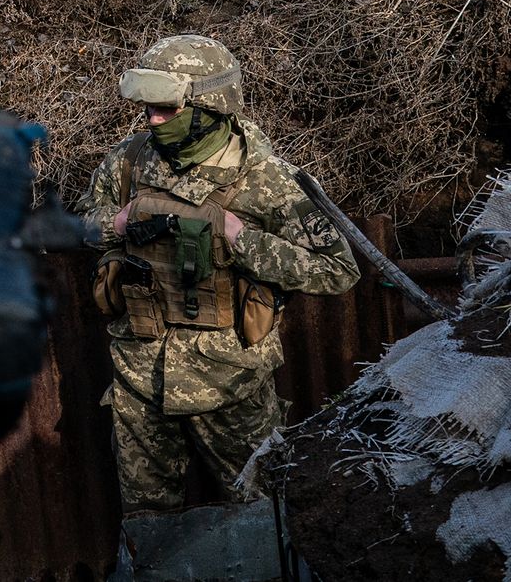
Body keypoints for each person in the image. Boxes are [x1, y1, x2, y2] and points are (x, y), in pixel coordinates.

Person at [80, 34, 360, 514]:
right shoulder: (128, 160)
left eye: (166, 109)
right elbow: (82, 221)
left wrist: (240, 238)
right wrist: (116, 223)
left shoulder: (265, 179)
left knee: (264, 513)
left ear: (207, 106)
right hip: (138, 377)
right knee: (147, 522)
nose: (152, 119)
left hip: (230, 385)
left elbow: (337, 270)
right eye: (148, 106)